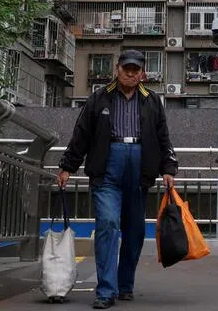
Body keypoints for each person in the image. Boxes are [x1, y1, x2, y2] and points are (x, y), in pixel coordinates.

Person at [57, 49, 178, 309]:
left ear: (142, 73)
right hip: (107, 167)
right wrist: (68, 166)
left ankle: (125, 285)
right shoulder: (99, 98)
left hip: (139, 169)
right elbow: (82, 134)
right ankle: (106, 291)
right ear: (117, 69)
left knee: (134, 231)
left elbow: (163, 137)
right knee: (108, 224)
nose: (131, 73)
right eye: (126, 69)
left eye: (136, 70)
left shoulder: (152, 100)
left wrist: (169, 168)